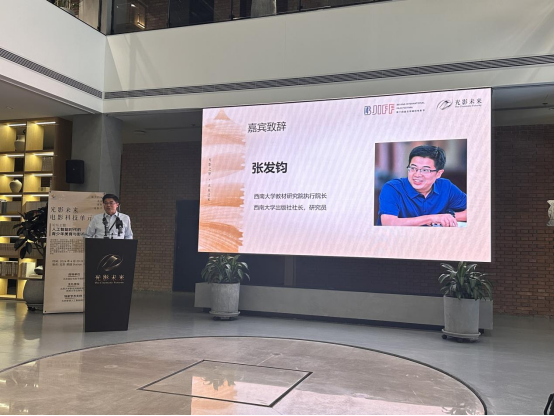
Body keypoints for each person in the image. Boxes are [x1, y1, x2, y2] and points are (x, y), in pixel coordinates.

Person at [377, 145, 467, 227]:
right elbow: (389, 223)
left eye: (425, 170)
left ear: (438, 173)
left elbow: (473, 210)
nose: (417, 174)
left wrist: (448, 217)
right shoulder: (392, 188)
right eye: (413, 168)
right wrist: (432, 218)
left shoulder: (445, 186)